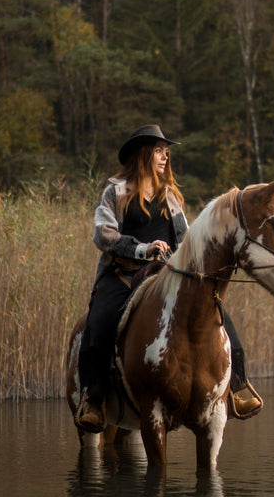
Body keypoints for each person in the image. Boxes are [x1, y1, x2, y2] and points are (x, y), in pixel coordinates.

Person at [75, 123, 263, 432]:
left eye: (167, 152)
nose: (165, 157)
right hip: (122, 274)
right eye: (160, 151)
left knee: (219, 316)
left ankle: (237, 388)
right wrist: (143, 249)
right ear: (144, 154)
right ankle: (93, 400)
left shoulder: (171, 197)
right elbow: (103, 235)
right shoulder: (116, 192)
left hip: (165, 275)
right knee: (99, 322)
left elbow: (186, 241)